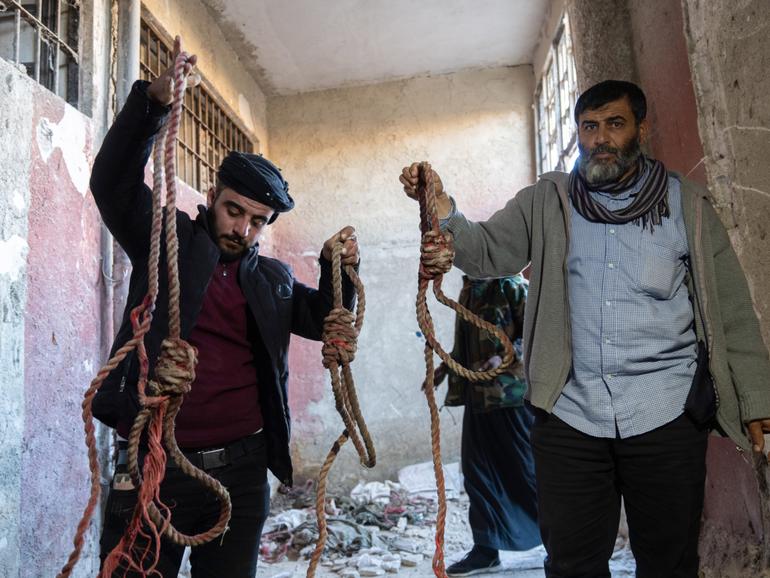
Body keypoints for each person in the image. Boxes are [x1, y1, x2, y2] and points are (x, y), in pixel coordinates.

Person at [400, 80, 770, 577]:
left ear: (641, 128)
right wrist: (442, 207)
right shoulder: (547, 200)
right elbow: (488, 252)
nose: (600, 138)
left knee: (670, 561)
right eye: (589, 127)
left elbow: (733, 311)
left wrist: (756, 401)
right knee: (572, 563)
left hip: (666, 412)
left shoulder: (688, 207)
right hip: (570, 413)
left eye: (614, 124)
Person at [91, 38, 359, 577]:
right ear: (212, 196)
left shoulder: (273, 281)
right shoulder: (162, 239)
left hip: (241, 475)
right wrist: (153, 103)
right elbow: (112, 184)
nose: (243, 228)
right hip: (154, 464)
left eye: (257, 221)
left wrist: (340, 268)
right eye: (234, 210)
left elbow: (322, 317)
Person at [434, 275, 540, 576]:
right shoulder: (470, 288)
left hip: (511, 397)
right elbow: (467, 341)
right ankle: (486, 550)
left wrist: (505, 357)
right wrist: (448, 366)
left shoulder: (513, 287)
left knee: (526, 472)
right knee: (477, 473)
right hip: (478, 397)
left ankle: (562, 541)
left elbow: (536, 334)